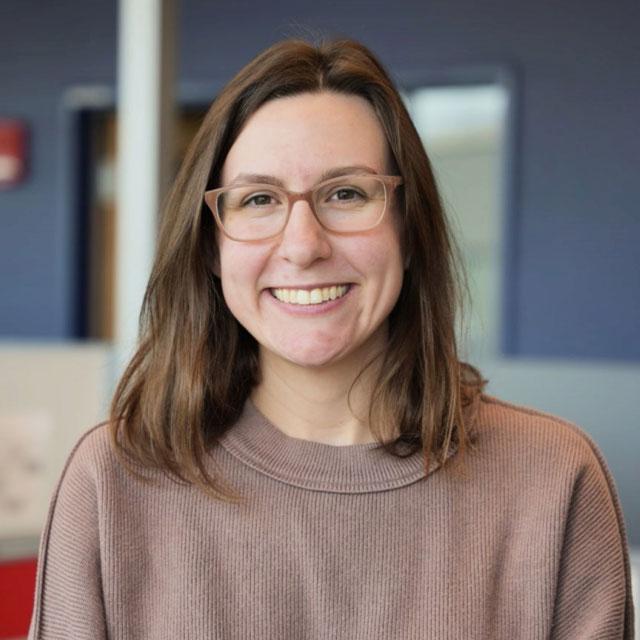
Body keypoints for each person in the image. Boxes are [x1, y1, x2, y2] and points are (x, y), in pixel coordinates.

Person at [28, 38, 634, 639]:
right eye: (259, 199)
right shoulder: (112, 483)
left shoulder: (553, 479)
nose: (302, 245)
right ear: (211, 246)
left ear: (409, 227)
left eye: (346, 193)